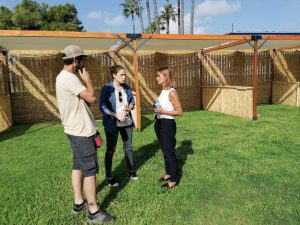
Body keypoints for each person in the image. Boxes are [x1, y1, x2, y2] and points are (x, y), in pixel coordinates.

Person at [56, 45, 115, 224]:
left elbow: (81, 102)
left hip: (73, 130)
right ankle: (94, 211)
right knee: (90, 170)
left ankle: (78, 202)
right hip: (81, 132)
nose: (83, 62)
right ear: (75, 60)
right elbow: (91, 98)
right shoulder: (70, 78)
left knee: (78, 166)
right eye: (82, 59)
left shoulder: (61, 77)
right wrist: (87, 79)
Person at [99, 65, 138, 187]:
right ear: (114, 75)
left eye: (125, 74)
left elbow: (132, 100)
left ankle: (131, 170)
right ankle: (109, 177)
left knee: (129, 148)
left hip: (126, 121)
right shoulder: (106, 88)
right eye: (121, 74)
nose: (124, 77)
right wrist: (116, 115)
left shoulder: (126, 87)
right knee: (111, 150)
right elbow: (102, 106)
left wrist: (130, 106)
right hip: (112, 122)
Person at [153, 67, 183, 189]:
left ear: (166, 77)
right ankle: (168, 173)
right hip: (159, 122)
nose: (156, 78)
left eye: (159, 76)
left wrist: (163, 111)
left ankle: (174, 180)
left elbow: (179, 112)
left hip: (167, 125)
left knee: (169, 153)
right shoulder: (163, 91)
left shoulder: (172, 92)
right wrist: (157, 109)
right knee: (165, 151)